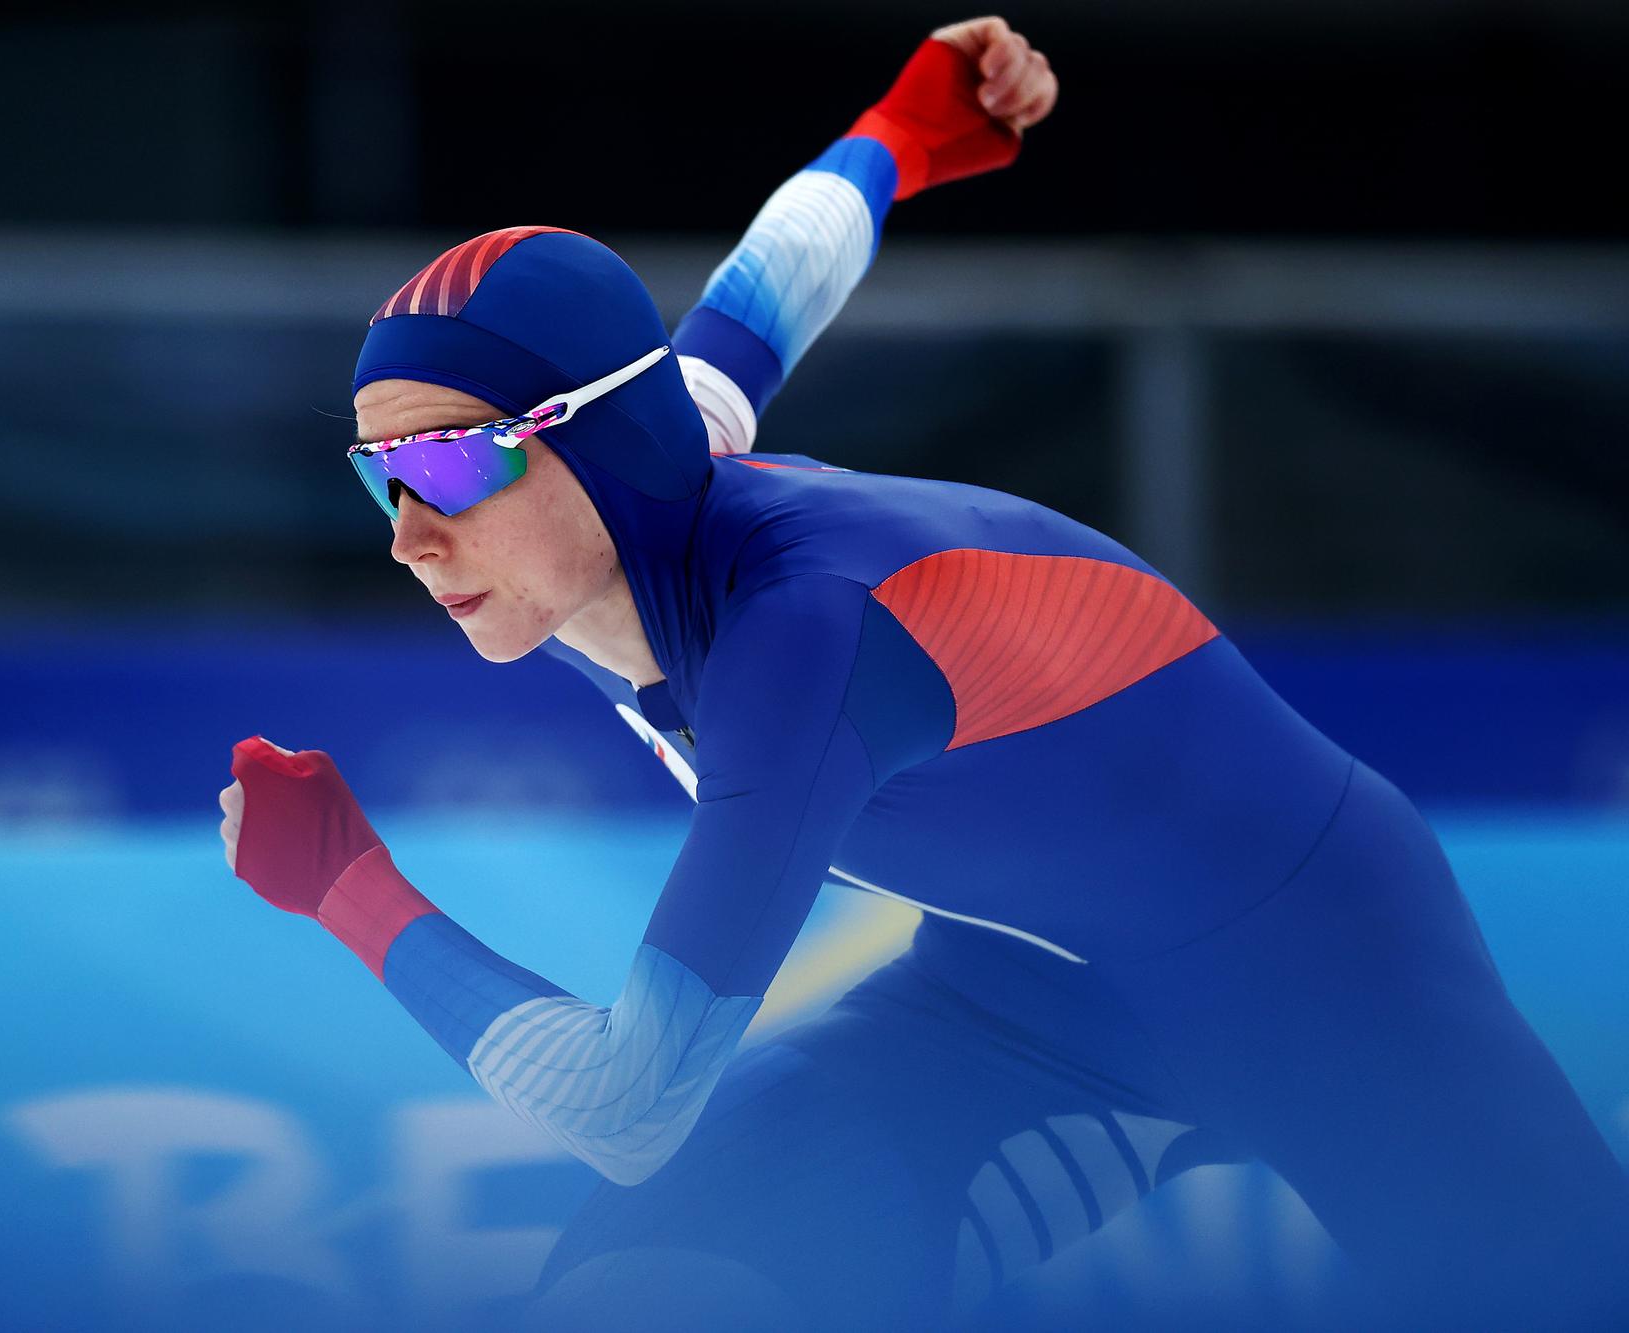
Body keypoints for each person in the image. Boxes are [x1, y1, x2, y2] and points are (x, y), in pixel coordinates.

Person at [219, 18, 1629, 1330]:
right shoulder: (649, 465)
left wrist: (350, 884)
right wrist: (908, 126)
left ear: (601, 438)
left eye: (451, 461)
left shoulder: (807, 636)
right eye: (377, 475)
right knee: (638, 1292)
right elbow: (767, 285)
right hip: (1023, 998)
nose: (409, 537)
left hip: (1323, 967)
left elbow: (625, 1099)